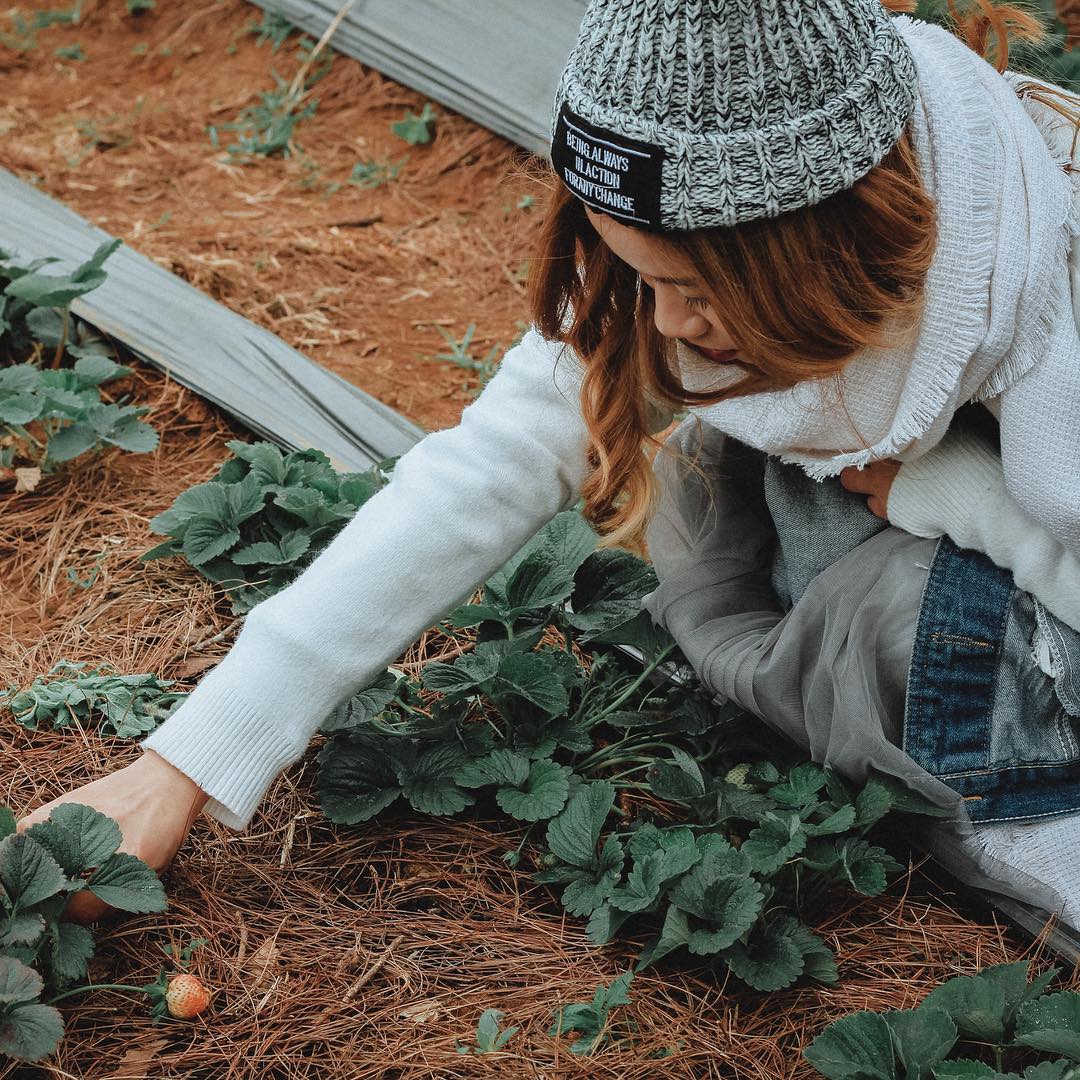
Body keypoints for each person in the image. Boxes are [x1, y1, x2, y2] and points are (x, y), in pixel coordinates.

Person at [18, 0, 1080, 925]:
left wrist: (961, 495)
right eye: (639, 273)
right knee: (745, 525)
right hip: (949, 497)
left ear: (811, 245)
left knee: (928, 666)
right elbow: (490, 464)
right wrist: (183, 764)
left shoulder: (1044, 336)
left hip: (1049, 546)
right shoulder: (702, 251)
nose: (665, 322)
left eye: (697, 291)